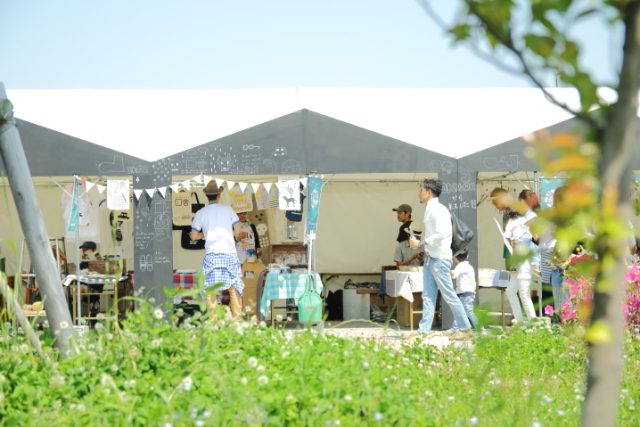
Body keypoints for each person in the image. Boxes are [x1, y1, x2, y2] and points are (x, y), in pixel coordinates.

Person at [409, 179, 472, 340]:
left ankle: (465, 329)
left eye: (421, 190)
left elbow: (442, 233)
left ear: (428, 192)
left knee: (448, 294)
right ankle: (423, 330)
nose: (419, 193)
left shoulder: (437, 210)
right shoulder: (432, 209)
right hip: (432, 258)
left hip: (439, 260)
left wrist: (421, 242)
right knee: (428, 296)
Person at [190, 180, 247, 320]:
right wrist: (227, 232)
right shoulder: (228, 210)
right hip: (229, 253)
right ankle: (238, 322)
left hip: (212, 254)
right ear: (218, 195)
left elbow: (193, 236)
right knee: (234, 290)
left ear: (206, 196)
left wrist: (206, 234)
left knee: (211, 291)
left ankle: (212, 324)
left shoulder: (201, 212)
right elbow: (238, 231)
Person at [501, 207, 537, 324]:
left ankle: (534, 322)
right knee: (510, 291)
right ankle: (520, 320)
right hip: (517, 260)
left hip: (525, 260)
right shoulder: (515, 222)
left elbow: (529, 238)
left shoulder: (521, 222)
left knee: (523, 293)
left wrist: (516, 240)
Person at [450, 250, 482, 331]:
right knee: (462, 311)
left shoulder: (461, 266)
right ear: (467, 256)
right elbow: (473, 282)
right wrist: (473, 292)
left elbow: (454, 274)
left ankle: (480, 328)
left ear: (455, 258)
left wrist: (445, 270)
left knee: (466, 312)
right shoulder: (469, 267)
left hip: (464, 293)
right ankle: (455, 328)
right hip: (468, 292)